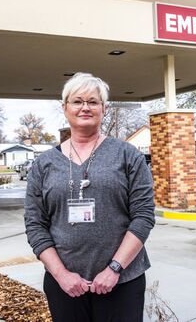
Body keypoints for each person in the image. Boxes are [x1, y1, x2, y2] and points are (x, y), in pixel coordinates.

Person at [24, 72, 155, 322]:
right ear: (65, 108)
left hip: (123, 281)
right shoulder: (44, 164)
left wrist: (114, 269)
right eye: (77, 101)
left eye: (93, 102)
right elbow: (35, 224)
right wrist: (61, 274)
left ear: (104, 109)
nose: (85, 107)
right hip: (65, 286)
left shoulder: (128, 156)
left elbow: (143, 217)